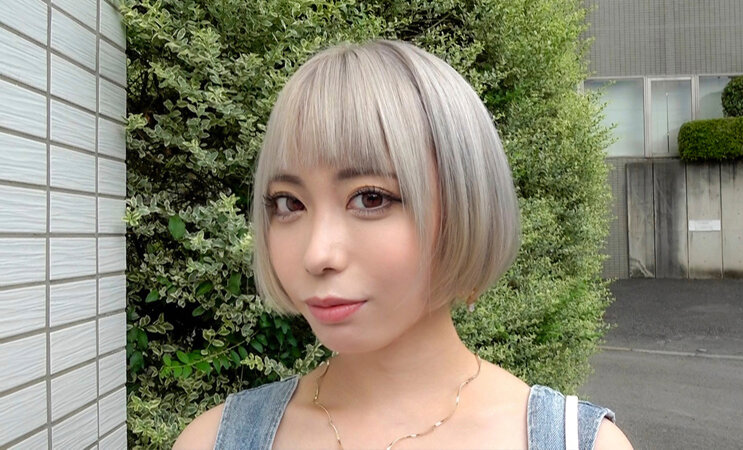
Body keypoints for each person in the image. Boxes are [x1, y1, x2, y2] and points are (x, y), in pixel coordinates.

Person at [174, 39, 632, 450]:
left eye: (370, 198)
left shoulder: (574, 442)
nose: (317, 254)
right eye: (289, 203)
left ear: (463, 203)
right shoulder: (212, 441)